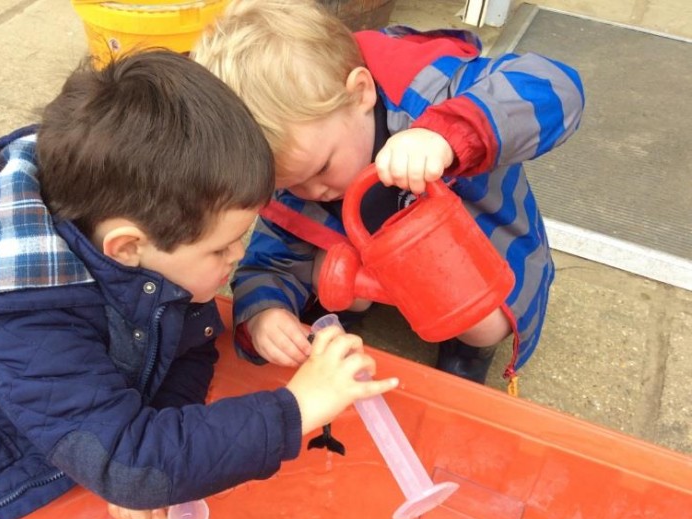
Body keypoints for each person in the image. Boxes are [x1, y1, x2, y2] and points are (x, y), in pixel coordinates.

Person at [0, 49, 398, 519]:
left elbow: (189, 341)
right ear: (127, 247)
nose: (238, 258)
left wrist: (153, 456)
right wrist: (294, 410)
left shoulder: (126, 223)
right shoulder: (20, 322)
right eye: (221, 250)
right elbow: (125, 457)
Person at [193, 0, 585, 387]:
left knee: (483, 324)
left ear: (361, 92)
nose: (310, 191)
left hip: (473, 251)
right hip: (376, 260)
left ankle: (469, 347)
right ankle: (355, 307)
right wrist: (264, 314)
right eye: (287, 185)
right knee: (325, 274)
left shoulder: (429, 90)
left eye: (322, 168)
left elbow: (555, 86)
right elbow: (268, 261)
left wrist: (449, 134)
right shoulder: (294, 167)